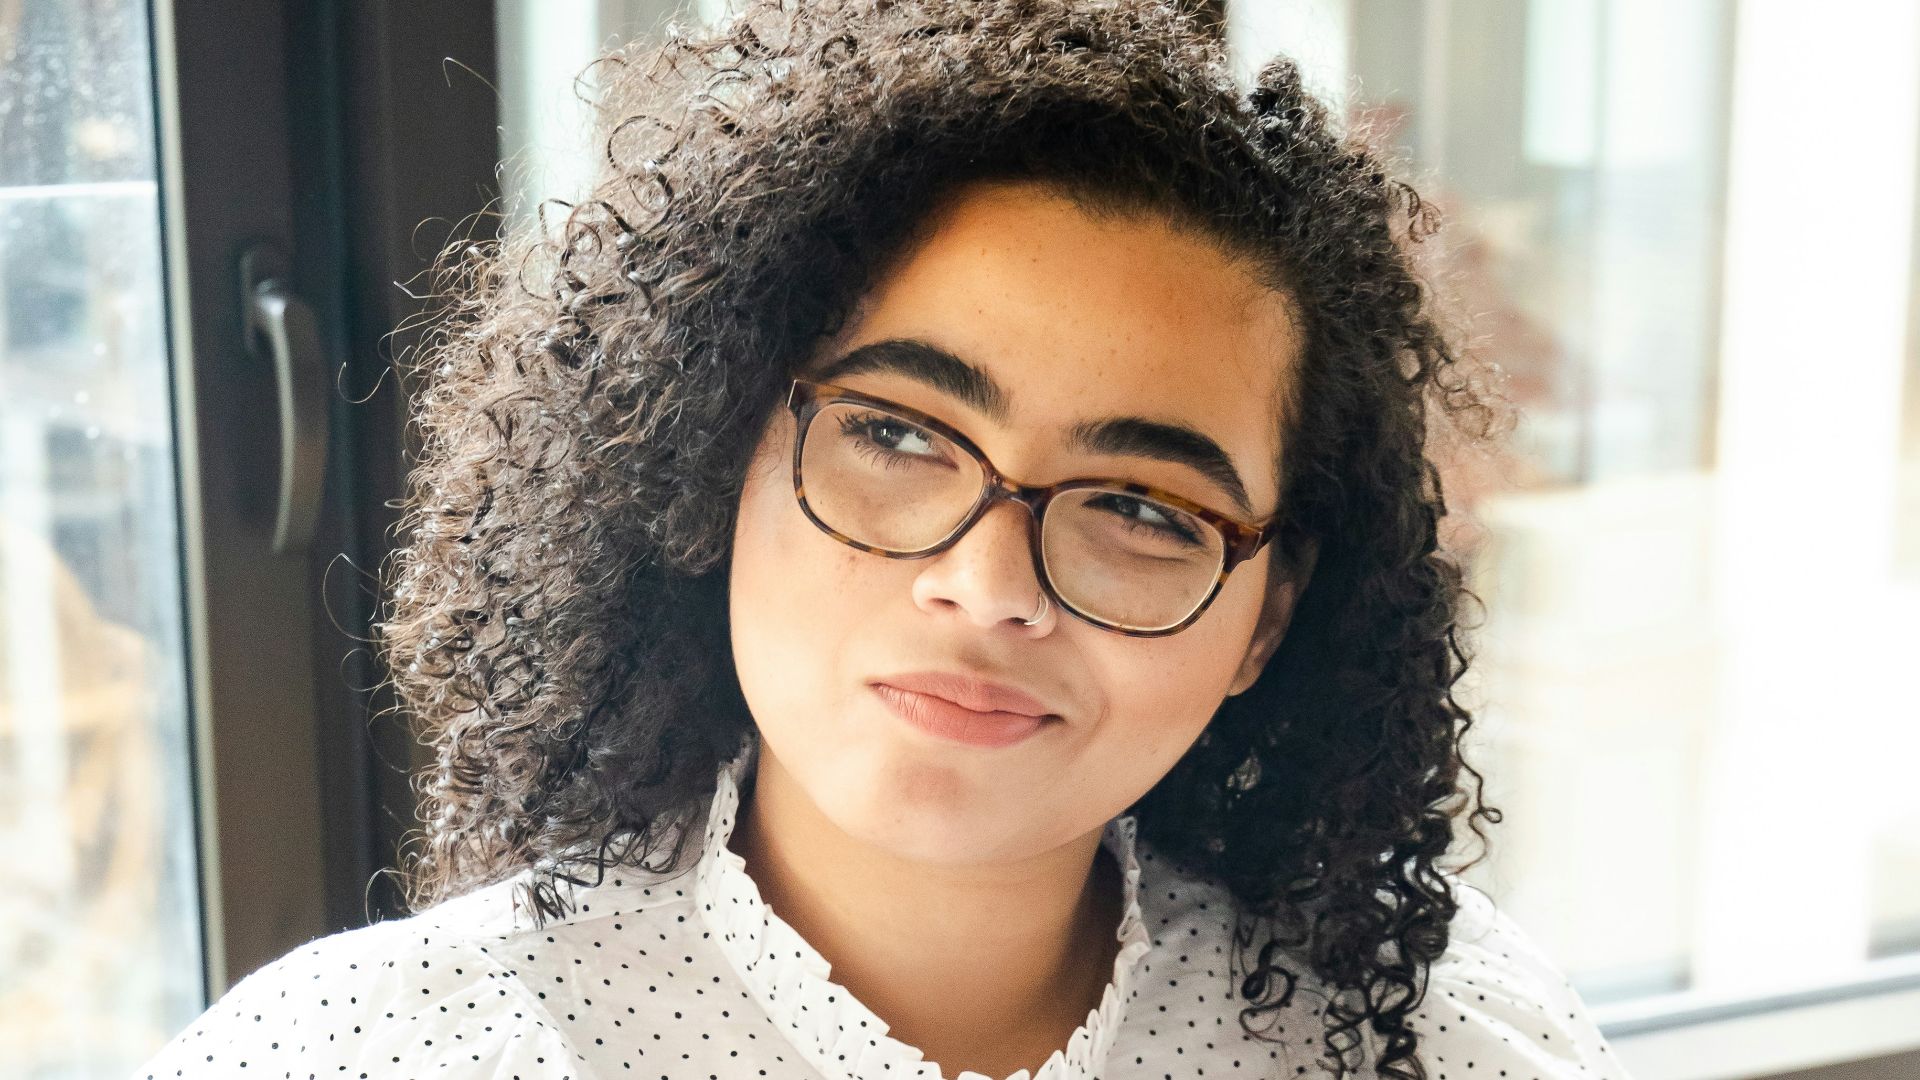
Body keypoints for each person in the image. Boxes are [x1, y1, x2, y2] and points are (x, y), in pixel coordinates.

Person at [135, 1, 1631, 1077]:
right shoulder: (357, 1057)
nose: (984, 589)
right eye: (899, 435)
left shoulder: (1444, 1042)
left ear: (1268, 618)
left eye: (1137, 509)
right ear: (710, 451)